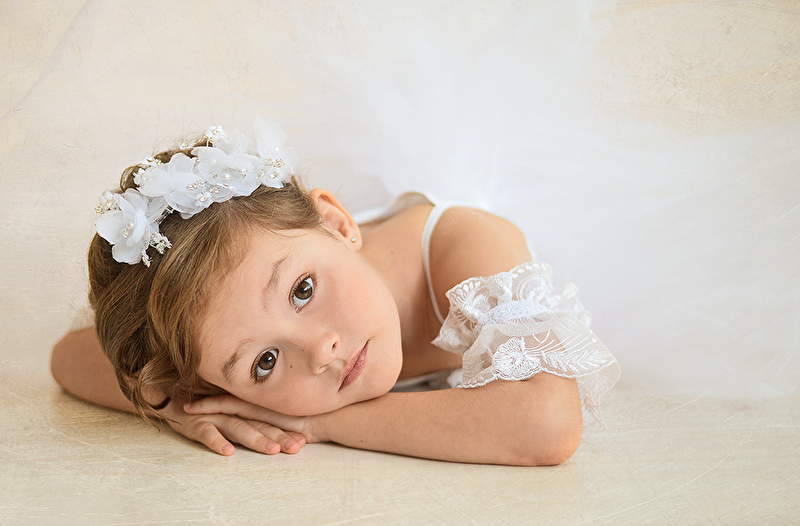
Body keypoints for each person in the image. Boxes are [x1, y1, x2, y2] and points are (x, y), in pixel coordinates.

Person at [51, 118, 619, 466]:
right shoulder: (228, 321)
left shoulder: (459, 245)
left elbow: (548, 423)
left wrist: (318, 423)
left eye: (302, 290)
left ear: (336, 225)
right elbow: (67, 357)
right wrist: (179, 407)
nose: (320, 350)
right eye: (264, 362)